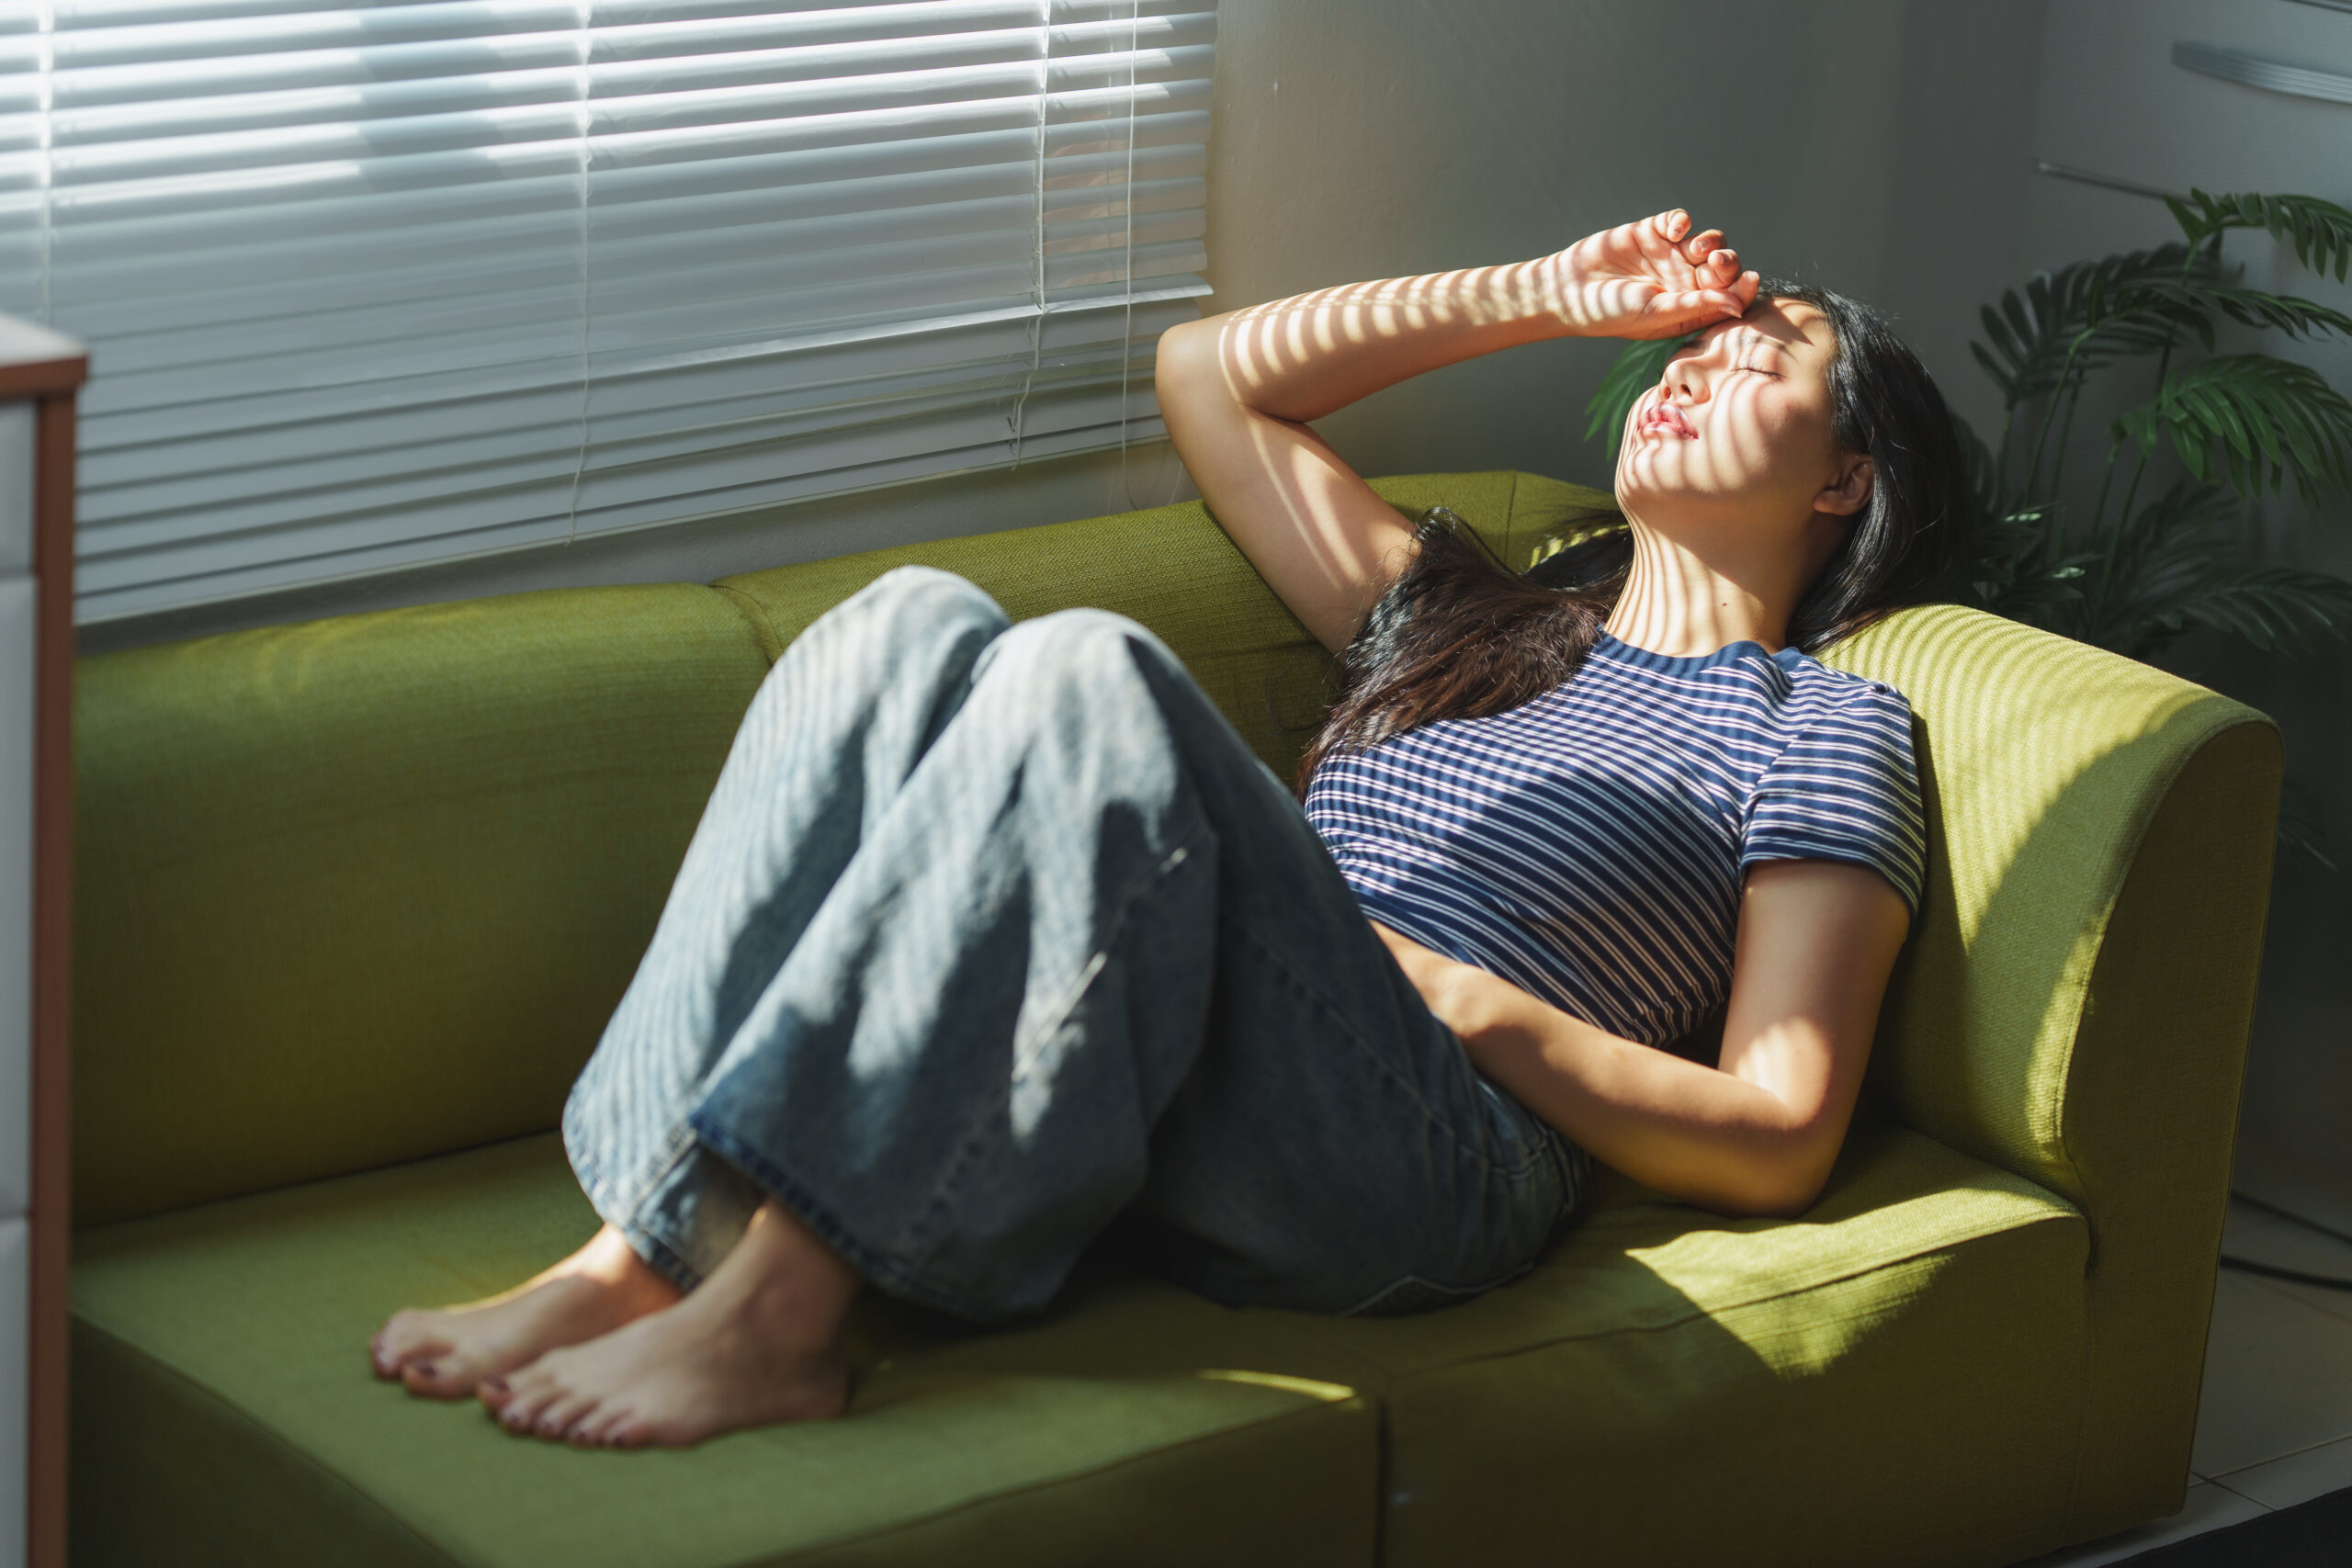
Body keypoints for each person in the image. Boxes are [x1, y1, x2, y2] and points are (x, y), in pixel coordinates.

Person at [368, 209, 1966, 1450]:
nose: (1694, 367)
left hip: (1435, 1152)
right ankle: (641, 1249)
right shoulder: (1470, 616)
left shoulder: (1820, 725)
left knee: (1085, 670)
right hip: (1196, 1041)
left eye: (1761, 359)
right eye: (1689, 349)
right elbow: (1212, 374)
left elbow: (1782, 1128)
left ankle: (777, 1325)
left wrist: (1460, 999)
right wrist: (1552, 290)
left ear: (1847, 480)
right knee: (903, 623)